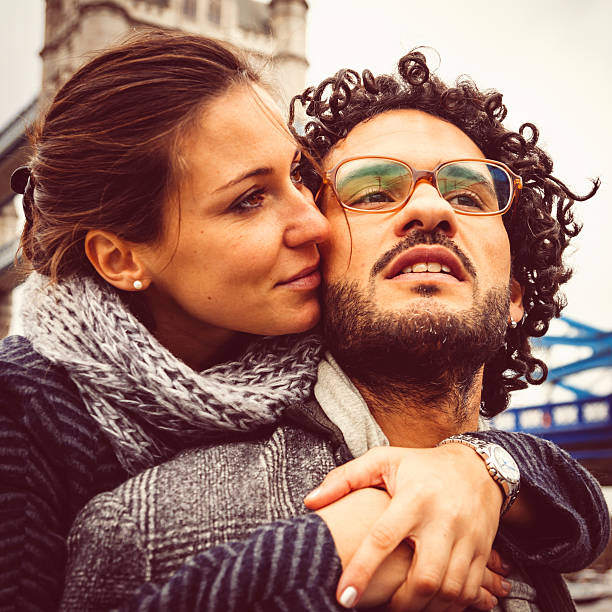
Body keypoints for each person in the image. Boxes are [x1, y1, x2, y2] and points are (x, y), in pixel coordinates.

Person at [52, 45, 609, 611]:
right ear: (314, 266)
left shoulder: (538, 515)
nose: (431, 208)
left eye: (468, 195)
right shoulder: (146, 529)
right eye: (371, 191)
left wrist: (489, 466)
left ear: (515, 296)